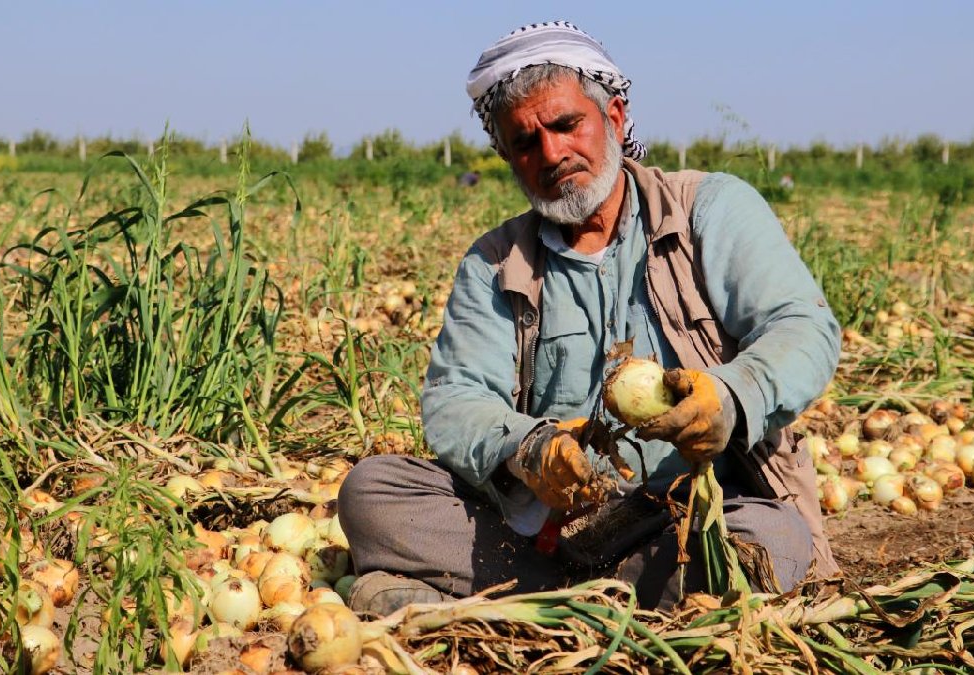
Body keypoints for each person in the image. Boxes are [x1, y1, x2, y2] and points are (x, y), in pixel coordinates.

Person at [338, 20, 841, 616]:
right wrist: (529, 448)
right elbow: (455, 398)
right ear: (506, 156)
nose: (551, 154)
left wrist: (729, 398)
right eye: (525, 142)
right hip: (548, 528)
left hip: (696, 516)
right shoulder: (496, 262)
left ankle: (518, 599)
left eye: (565, 125)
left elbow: (802, 327)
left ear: (616, 117)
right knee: (372, 493)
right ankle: (611, 600)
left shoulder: (708, 208)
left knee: (773, 542)